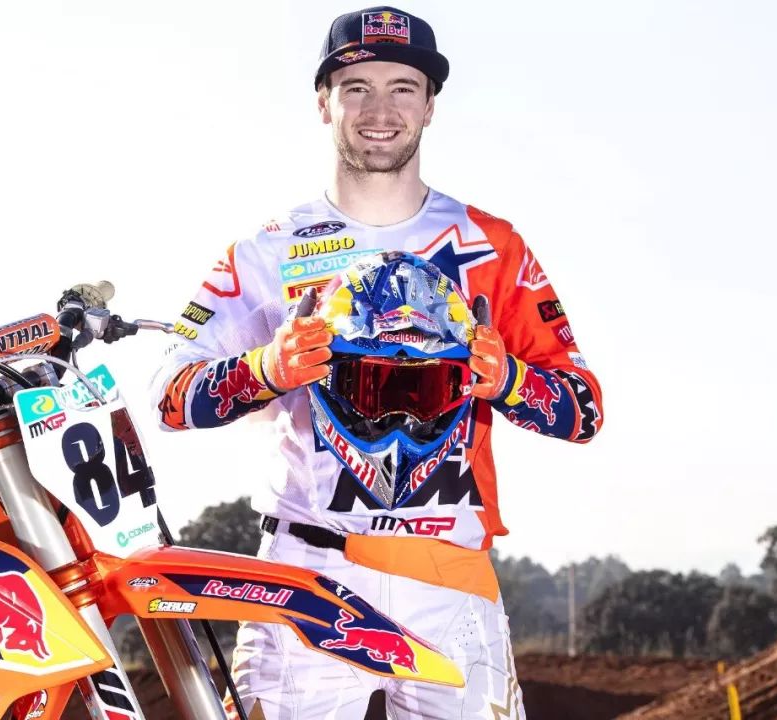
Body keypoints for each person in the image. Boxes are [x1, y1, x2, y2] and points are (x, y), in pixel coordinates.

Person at [150, 5, 603, 718]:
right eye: (356, 87)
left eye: (403, 88)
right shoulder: (266, 251)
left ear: (430, 105)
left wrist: (509, 380)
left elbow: (586, 409)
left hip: (450, 579)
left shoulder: (493, 245)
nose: (380, 110)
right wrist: (263, 370)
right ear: (323, 102)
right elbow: (164, 397)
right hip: (305, 575)